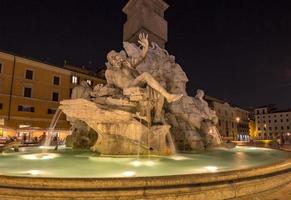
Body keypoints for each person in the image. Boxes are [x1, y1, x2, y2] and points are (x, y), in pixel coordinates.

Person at [105, 33, 183, 103]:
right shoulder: (110, 71)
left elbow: (140, 57)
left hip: (137, 82)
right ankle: (168, 96)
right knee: (145, 75)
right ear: (113, 59)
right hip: (128, 87)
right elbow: (110, 85)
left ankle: (158, 116)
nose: (121, 57)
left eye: (120, 56)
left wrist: (145, 47)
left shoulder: (127, 64)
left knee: (159, 80)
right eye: (118, 56)